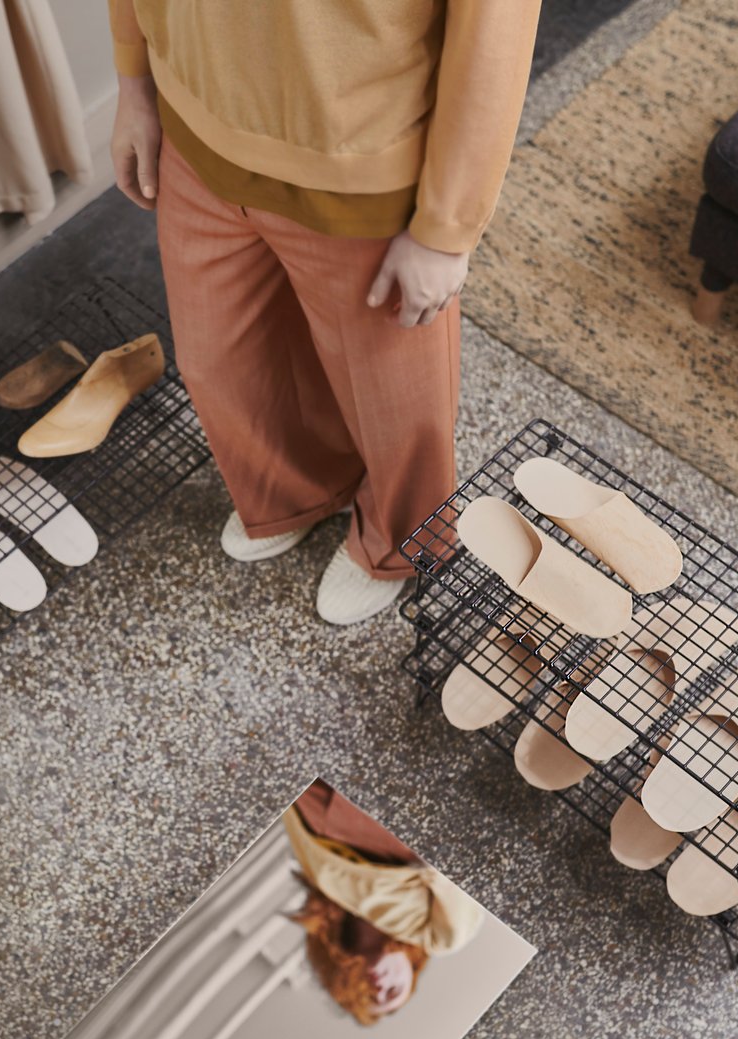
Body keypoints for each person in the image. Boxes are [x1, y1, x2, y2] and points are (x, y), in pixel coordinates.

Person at [107, 0, 542, 624]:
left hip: (363, 158)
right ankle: (297, 492)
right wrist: (134, 82)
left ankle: (395, 547)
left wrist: (445, 229)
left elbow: (494, 30)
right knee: (218, 361)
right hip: (193, 122)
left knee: (394, 406)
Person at [282, 781, 483, 1024]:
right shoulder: (436, 937)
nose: (379, 989)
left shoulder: (329, 907)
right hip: (384, 812)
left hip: (317, 814)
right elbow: (460, 869)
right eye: (393, 991)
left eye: (368, 996)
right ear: (412, 974)